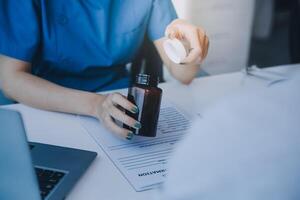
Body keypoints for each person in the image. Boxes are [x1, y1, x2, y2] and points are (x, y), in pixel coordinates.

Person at [0, 1, 209, 140]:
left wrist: (189, 46)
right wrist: (95, 105)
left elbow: (184, 74)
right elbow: (10, 79)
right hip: (44, 99)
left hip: (116, 99)